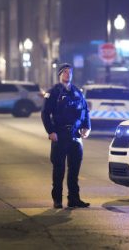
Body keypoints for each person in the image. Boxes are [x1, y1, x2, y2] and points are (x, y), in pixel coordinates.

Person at [41, 63, 91, 209]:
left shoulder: (77, 92)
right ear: (60, 75)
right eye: (65, 72)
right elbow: (45, 113)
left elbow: (85, 110)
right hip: (60, 135)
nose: (68, 74)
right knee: (59, 170)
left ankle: (74, 199)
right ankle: (57, 200)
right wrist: (50, 132)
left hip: (75, 135)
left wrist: (87, 127)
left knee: (74, 170)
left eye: (70, 72)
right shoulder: (53, 92)